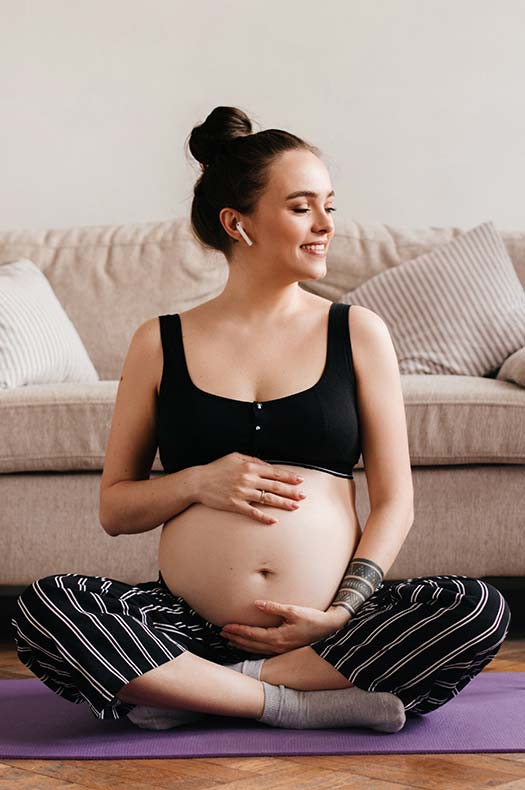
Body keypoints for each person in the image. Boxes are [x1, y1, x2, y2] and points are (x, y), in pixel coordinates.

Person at [12, 106, 511, 733]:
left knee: (477, 609)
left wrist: (341, 611)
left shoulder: (357, 332)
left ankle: (191, 690)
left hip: (327, 625)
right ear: (236, 223)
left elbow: (395, 503)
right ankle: (293, 703)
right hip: (185, 625)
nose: (327, 224)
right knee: (47, 607)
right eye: (302, 207)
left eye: (330, 205)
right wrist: (196, 482)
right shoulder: (158, 342)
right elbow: (116, 509)